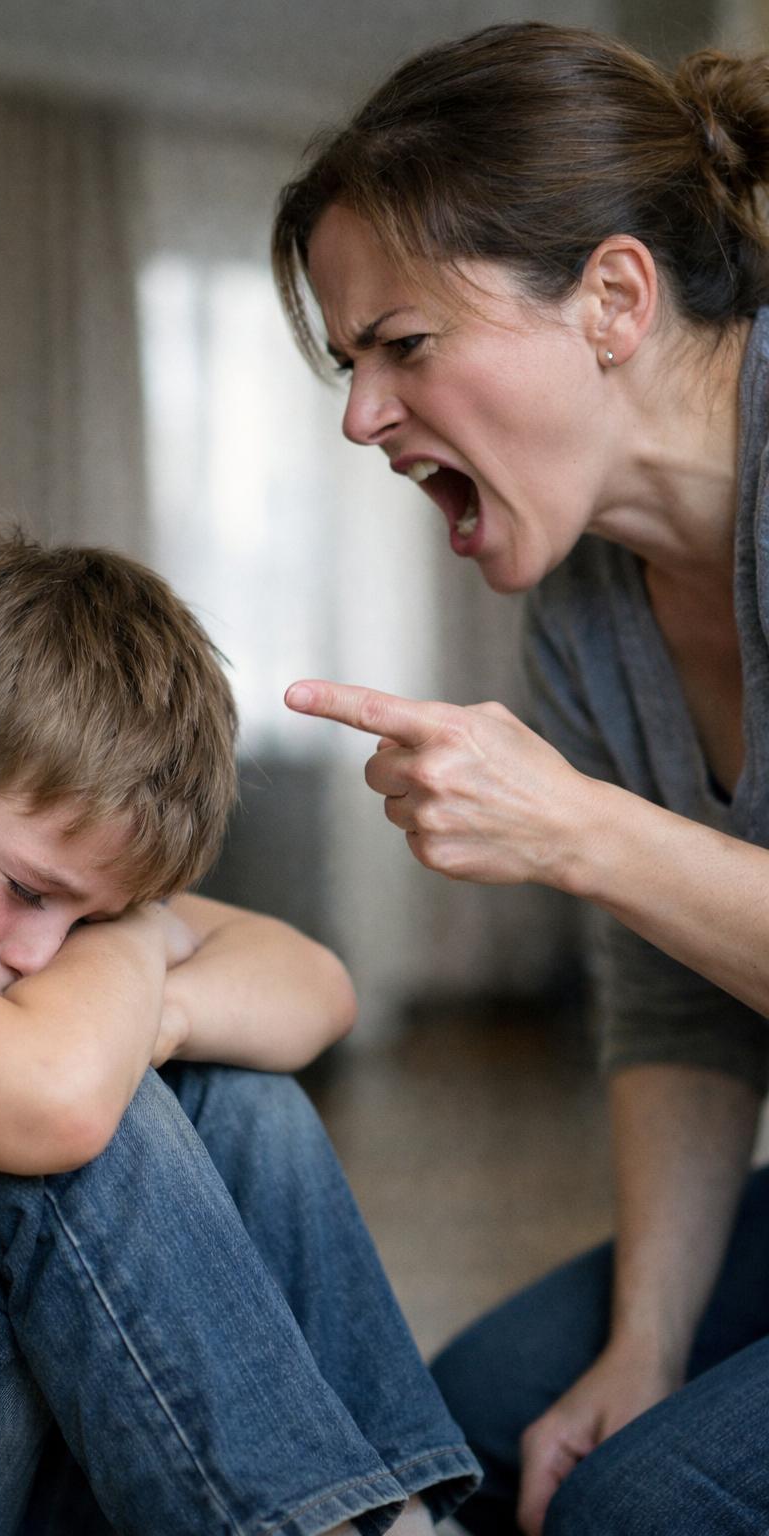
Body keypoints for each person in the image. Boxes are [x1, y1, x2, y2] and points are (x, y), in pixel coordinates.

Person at [271, 20, 769, 1536]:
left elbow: (615, 859)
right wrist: (647, 1343)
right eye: (350, 362)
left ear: (615, 297)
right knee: (468, 1432)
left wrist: (577, 828)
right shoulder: (585, 611)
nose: (360, 415)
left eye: (403, 345)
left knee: (640, 1504)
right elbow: (682, 1002)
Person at [0, 524, 480, 1536]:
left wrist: (149, 1015)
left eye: (85, 918)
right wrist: (130, 953)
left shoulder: (0, 912)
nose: (45, 954)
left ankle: (395, 1515)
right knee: (87, 1108)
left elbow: (316, 987)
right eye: (27, 891)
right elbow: (58, 1097)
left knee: (235, 1095)